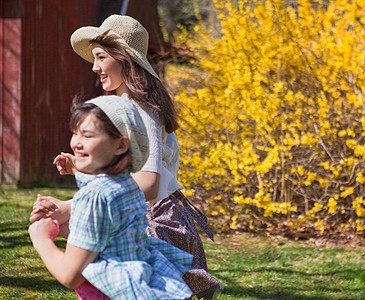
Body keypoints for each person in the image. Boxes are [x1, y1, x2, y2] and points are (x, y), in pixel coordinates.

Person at [30, 14, 223, 299]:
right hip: (136, 214)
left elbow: (149, 183)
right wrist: (82, 169)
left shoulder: (141, 109)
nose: (94, 67)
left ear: (124, 59)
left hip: (153, 219)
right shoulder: (123, 104)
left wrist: (71, 205)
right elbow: (129, 168)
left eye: (100, 57)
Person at [29, 95, 193, 299]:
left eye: (88, 135)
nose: (76, 143)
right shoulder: (128, 185)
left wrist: (42, 239)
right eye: (75, 133)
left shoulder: (94, 197)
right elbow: (112, 239)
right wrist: (65, 229)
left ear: (121, 146)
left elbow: (70, 276)